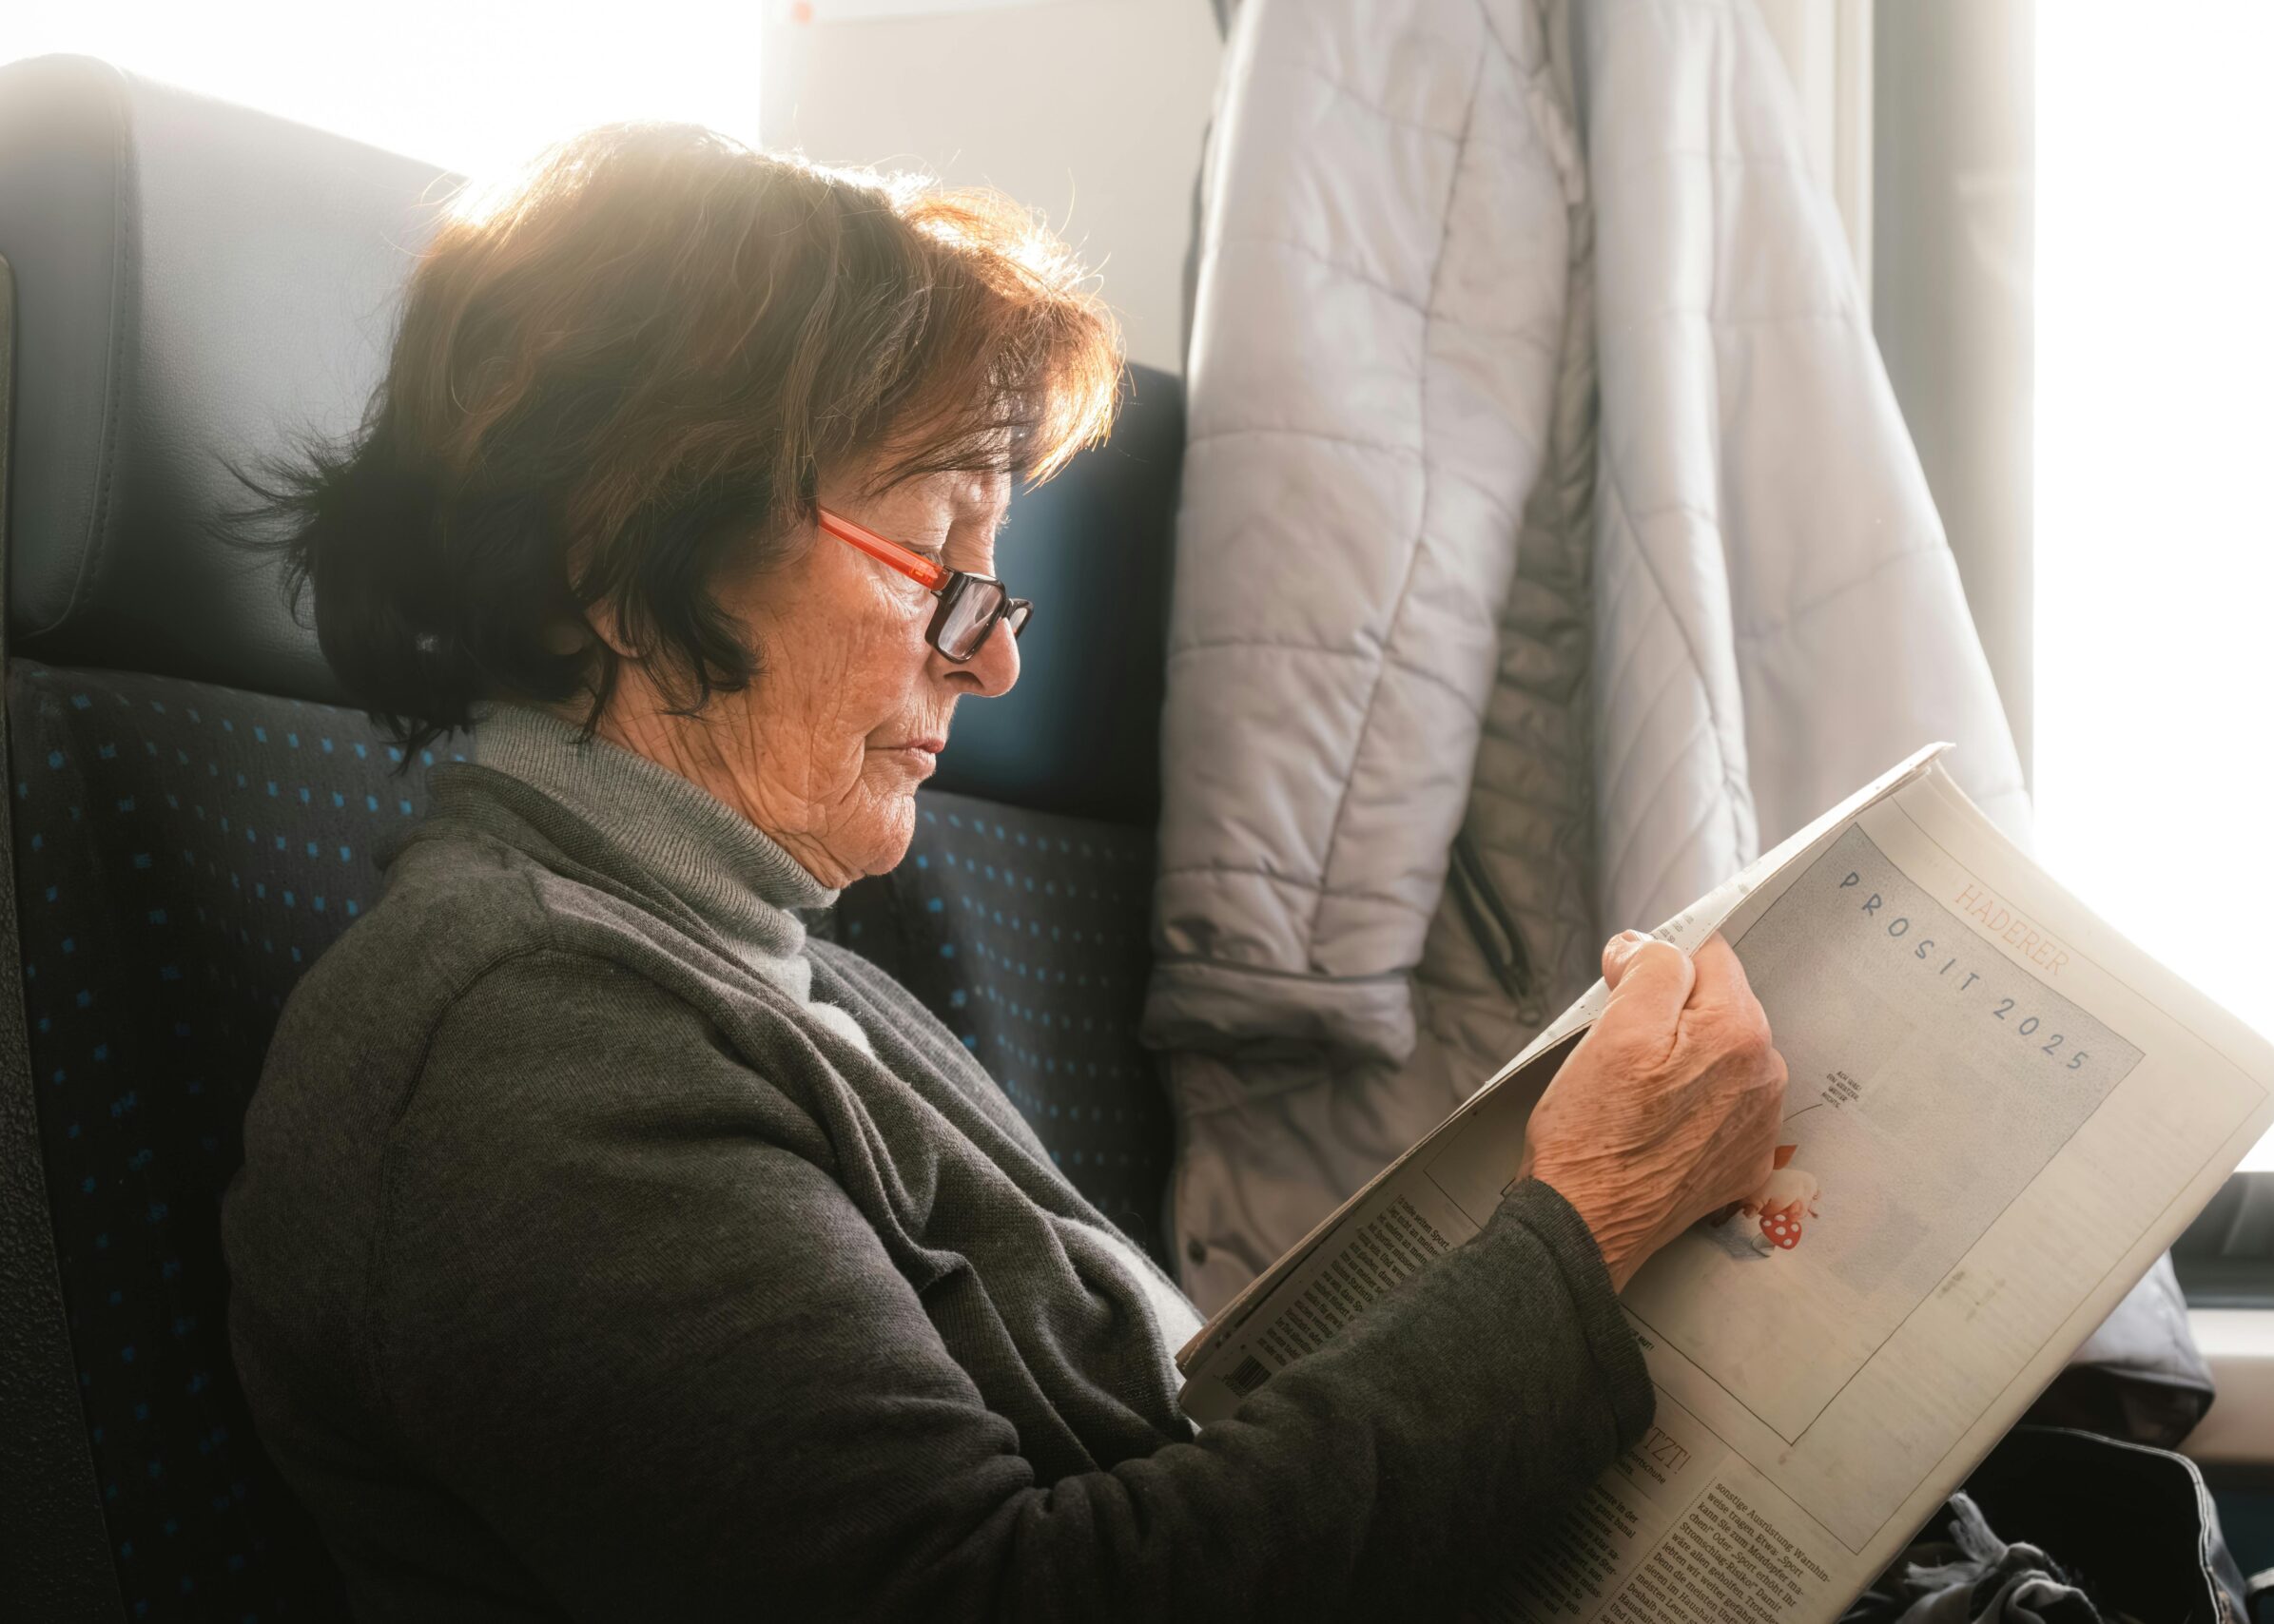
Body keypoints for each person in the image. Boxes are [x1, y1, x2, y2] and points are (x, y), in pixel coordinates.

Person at [219, 124, 1789, 1623]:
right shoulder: (526, 1056)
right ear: (623, 565)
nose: (995, 665)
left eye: (998, 584)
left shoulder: (772, 970)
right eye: (936, 561)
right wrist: (1581, 1229)